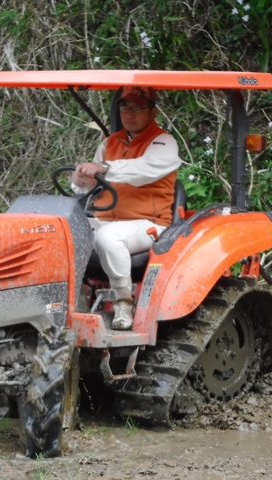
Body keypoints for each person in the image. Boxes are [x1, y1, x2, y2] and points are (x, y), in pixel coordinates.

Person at [72, 86, 182, 330]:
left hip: (149, 223)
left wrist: (104, 168)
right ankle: (73, 298)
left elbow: (143, 170)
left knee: (108, 237)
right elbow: (91, 184)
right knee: (62, 230)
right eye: (125, 107)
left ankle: (123, 303)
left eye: (137, 108)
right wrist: (82, 179)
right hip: (106, 216)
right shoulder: (111, 142)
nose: (129, 114)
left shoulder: (163, 142)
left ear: (152, 112)